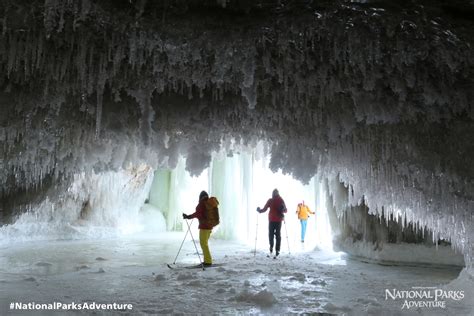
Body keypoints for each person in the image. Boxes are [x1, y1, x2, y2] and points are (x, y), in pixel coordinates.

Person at [182, 191, 214, 266]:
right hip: (209, 227)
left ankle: (208, 261)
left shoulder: (201, 204)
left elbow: (198, 214)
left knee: (204, 244)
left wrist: (188, 216)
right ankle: (207, 260)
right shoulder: (209, 204)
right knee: (205, 244)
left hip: (204, 227)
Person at [257, 189, 287, 257]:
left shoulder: (278, 200)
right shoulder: (274, 200)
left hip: (275, 220)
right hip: (274, 220)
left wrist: (260, 211)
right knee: (275, 235)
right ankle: (274, 248)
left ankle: (275, 249)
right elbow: (265, 209)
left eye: (274, 193)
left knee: (274, 235)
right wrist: (260, 210)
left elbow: (285, 210)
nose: (274, 194)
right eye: (274, 193)